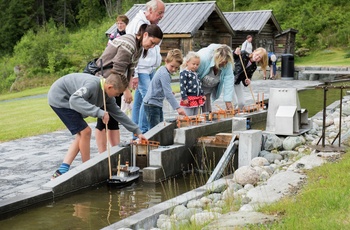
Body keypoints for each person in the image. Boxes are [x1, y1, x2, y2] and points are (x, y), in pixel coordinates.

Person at [48, 70, 147, 179]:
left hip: (70, 100)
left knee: (82, 134)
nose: (118, 96)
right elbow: (74, 100)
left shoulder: (108, 96)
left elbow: (118, 113)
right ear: (109, 87)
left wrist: (137, 131)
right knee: (86, 131)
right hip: (60, 98)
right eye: (118, 93)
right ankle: (87, 167)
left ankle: (61, 171)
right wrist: (99, 112)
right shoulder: (92, 85)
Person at [94, 24, 164, 153]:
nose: (152, 46)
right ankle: (102, 154)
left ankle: (115, 152)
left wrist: (130, 85)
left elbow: (131, 69)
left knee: (114, 117)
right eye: (152, 42)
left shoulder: (139, 47)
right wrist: (125, 91)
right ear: (145, 35)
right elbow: (118, 69)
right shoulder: (129, 43)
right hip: (104, 81)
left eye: (155, 45)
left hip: (116, 83)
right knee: (103, 119)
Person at [127, 0, 165, 135]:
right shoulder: (137, 24)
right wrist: (135, 74)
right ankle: (143, 131)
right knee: (149, 98)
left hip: (150, 68)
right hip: (141, 69)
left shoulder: (151, 25)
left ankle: (135, 132)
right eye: (159, 13)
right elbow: (131, 51)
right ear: (149, 10)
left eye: (163, 13)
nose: (161, 16)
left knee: (139, 102)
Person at [143, 49, 186, 130]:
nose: (174, 69)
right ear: (166, 61)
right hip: (152, 104)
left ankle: (158, 141)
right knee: (155, 130)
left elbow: (162, 87)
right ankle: (153, 142)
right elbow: (168, 94)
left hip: (156, 104)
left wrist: (168, 91)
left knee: (160, 127)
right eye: (172, 66)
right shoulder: (164, 73)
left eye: (176, 68)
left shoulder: (163, 70)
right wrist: (178, 108)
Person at [196, 44, 235, 113]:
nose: (224, 64)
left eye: (225, 62)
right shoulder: (203, 58)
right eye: (221, 62)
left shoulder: (227, 63)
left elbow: (229, 81)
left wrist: (228, 101)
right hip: (195, 89)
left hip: (208, 90)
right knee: (194, 113)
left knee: (207, 113)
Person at [179, 51, 206, 116]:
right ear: (187, 62)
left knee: (196, 116)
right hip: (189, 98)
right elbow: (182, 86)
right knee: (188, 116)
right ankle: (187, 125)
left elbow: (199, 86)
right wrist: (184, 97)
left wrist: (202, 94)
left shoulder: (196, 74)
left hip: (197, 98)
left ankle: (195, 125)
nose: (195, 66)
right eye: (193, 64)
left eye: (197, 64)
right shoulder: (184, 73)